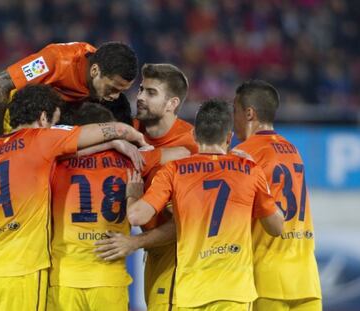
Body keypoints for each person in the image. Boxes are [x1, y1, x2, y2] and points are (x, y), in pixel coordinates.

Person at [0, 85, 146, 311]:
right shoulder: (41, 140)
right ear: (43, 118)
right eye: (55, 122)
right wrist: (125, 138)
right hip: (24, 273)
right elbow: (116, 130)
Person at [126, 99, 284, 310]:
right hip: (234, 292)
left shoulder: (173, 170)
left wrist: (133, 194)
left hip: (191, 291)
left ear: (194, 135)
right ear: (229, 138)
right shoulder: (250, 170)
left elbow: (137, 217)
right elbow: (276, 227)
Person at [0, 41, 138, 216]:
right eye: (113, 88)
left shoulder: (102, 68)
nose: (115, 96)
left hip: (30, 140)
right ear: (95, 70)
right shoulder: (56, 59)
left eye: (121, 91)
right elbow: (0, 83)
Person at [48, 102, 189, 311]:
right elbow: (183, 153)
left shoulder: (55, 164)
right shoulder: (131, 160)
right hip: (109, 277)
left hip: (64, 279)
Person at [95, 63, 198, 311]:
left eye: (151, 93)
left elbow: (188, 223)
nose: (140, 97)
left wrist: (134, 242)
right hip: (154, 253)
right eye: (141, 89)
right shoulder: (130, 131)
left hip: (180, 256)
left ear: (172, 103)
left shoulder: (192, 147)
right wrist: (157, 156)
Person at [232, 80, 322, 311]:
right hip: (307, 280)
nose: (234, 121)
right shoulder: (293, 149)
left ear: (249, 113)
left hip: (266, 279)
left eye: (235, 111)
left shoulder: (243, 154)